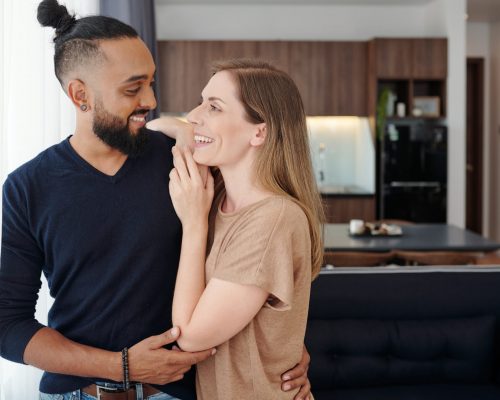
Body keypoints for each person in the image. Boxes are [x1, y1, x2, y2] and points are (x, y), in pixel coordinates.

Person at [0, 1, 311, 399]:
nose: (149, 99)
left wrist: (283, 347)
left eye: (151, 82)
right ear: (80, 95)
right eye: (133, 88)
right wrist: (120, 365)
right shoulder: (28, 188)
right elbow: (8, 327)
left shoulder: (188, 166)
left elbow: (256, 259)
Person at [150, 59, 323, 399]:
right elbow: (159, 128)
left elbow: (189, 336)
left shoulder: (273, 220)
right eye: (201, 101)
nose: (194, 113)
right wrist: (193, 128)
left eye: (214, 107)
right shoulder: (219, 197)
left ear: (259, 132)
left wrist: (194, 223)